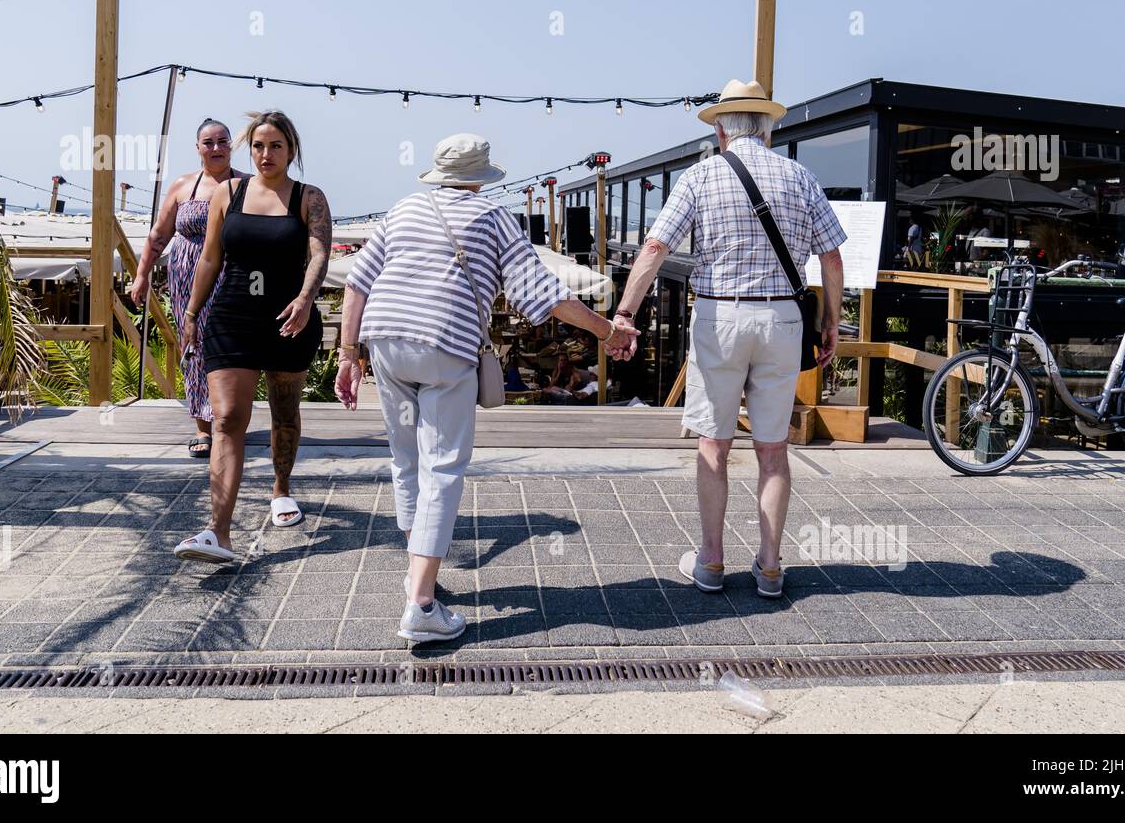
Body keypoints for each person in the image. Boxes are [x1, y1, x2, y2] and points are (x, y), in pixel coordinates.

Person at [333, 133, 637, 645]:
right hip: (444, 344)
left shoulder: (403, 209)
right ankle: (422, 604)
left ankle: (417, 576)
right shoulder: (493, 218)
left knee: (406, 459)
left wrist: (347, 355)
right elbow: (545, 294)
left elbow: (357, 283)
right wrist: (607, 332)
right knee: (444, 464)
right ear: (480, 177)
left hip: (385, 341)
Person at [609, 79, 846, 600]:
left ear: (721, 129)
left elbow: (654, 247)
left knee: (714, 444)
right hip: (783, 320)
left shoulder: (701, 177)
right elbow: (831, 257)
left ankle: (712, 561)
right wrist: (831, 320)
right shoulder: (799, 176)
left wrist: (624, 313)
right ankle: (769, 566)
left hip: (720, 319)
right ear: (766, 127)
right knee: (773, 449)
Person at [173, 111, 331, 564]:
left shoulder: (308, 197)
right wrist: (190, 311)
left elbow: (319, 253)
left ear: (291, 150)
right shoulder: (228, 193)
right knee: (226, 421)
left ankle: (281, 489)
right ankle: (217, 532)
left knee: (284, 413)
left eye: (276, 146)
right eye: (259, 146)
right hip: (232, 316)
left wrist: (304, 299)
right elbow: (208, 259)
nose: (266, 154)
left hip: (288, 318)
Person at [128, 119, 248, 456]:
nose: (216, 148)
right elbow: (159, 235)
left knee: (228, 346)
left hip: (230, 274)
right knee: (192, 345)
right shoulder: (183, 186)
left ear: (231, 146)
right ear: (198, 148)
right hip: (185, 276)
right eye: (208, 142)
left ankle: (228, 419)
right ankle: (203, 427)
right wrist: (141, 274)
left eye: (223, 141)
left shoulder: (248, 185)